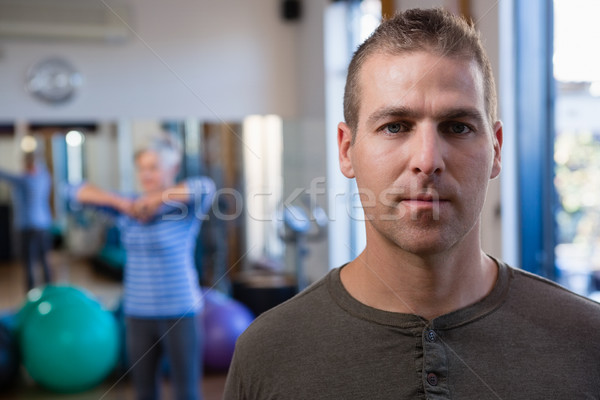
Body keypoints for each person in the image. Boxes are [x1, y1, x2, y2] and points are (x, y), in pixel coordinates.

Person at [224, 8, 600, 399]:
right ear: (347, 149)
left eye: (457, 127)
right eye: (395, 126)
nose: (427, 160)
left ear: (496, 149)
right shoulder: (268, 354)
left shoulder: (588, 343)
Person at [68, 135, 215, 400]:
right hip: (138, 313)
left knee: (187, 392)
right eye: (142, 168)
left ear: (172, 169)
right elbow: (74, 191)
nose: (146, 174)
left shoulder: (184, 209)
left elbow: (205, 186)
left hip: (180, 311)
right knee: (144, 392)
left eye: (154, 167)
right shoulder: (127, 206)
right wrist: (122, 203)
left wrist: (154, 201)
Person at [0, 151, 53, 291]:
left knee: (29, 262)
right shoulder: (45, 177)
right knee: (44, 260)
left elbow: (5, 175)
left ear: (27, 164)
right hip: (43, 224)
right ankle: (50, 291)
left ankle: (31, 294)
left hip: (28, 225)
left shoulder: (24, 180)